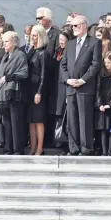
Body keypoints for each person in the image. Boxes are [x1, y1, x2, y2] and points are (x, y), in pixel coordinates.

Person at [60, 15, 102, 156]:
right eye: (72, 26)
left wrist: (83, 80)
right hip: (71, 87)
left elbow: (95, 64)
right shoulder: (70, 44)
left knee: (85, 119)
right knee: (72, 119)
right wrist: (68, 80)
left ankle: (86, 148)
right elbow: (63, 65)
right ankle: (74, 148)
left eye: (76, 25)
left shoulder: (94, 42)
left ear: (84, 26)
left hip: (85, 87)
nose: (73, 28)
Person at [0, 31, 29, 155]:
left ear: (14, 41)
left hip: (14, 94)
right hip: (4, 94)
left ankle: (17, 148)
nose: (4, 44)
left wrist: (9, 77)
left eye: (7, 41)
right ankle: (8, 148)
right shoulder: (5, 56)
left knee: (16, 123)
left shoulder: (20, 55)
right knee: (6, 122)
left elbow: (24, 72)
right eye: (3, 42)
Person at [49, 27, 74, 155]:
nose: (61, 43)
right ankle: (59, 141)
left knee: (67, 116)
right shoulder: (58, 51)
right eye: (60, 40)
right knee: (58, 115)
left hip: (65, 86)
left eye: (63, 40)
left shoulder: (71, 52)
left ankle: (68, 145)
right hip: (56, 88)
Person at [27, 25, 50, 156]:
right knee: (31, 120)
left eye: (35, 35)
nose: (33, 37)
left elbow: (44, 74)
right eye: (32, 35)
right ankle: (33, 146)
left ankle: (40, 147)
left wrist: (39, 91)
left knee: (38, 119)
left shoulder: (44, 53)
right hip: (29, 89)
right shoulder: (32, 51)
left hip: (38, 90)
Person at [95, 51, 111, 156]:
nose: (106, 64)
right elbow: (98, 90)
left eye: (109, 62)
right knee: (103, 129)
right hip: (103, 105)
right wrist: (100, 104)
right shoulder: (102, 74)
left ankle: (110, 152)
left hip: (110, 105)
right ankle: (104, 151)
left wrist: (110, 104)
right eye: (105, 62)